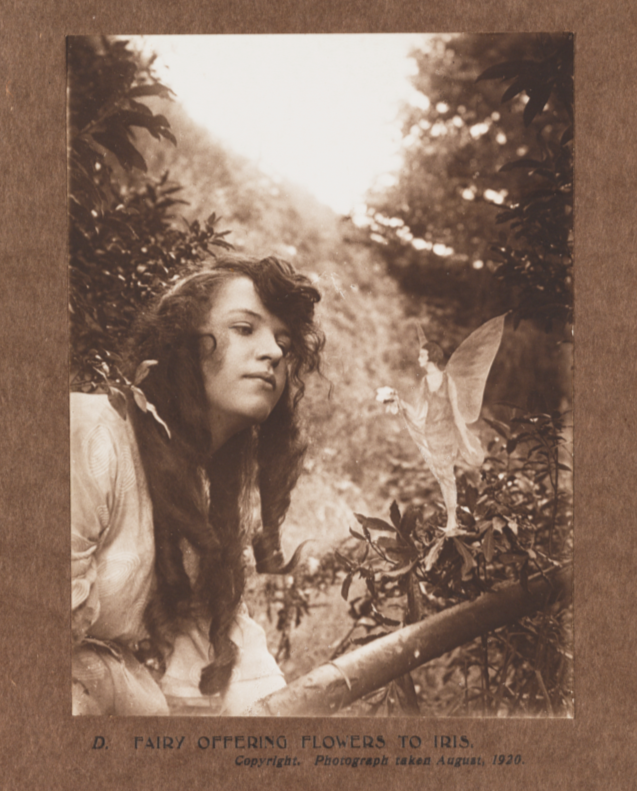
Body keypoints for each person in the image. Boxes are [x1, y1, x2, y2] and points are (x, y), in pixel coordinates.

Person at [71, 254, 324, 716]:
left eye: (283, 342)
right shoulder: (90, 435)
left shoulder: (205, 489)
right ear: (182, 344)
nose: (273, 353)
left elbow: (224, 654)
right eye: (245, 329)